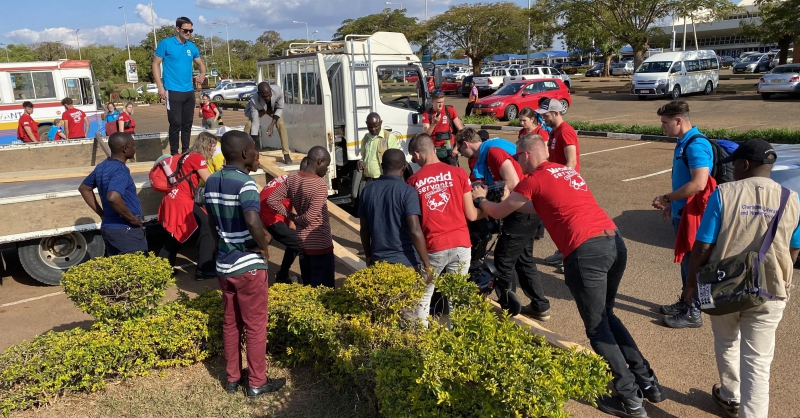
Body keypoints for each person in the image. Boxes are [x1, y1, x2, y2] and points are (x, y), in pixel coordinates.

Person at [474, 135, 664, 418]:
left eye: (517, 158)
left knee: (598, 328)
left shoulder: (533, 178)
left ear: (526, 156)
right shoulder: (564, 172)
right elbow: (534, 206)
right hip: (613, 241)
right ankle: (647, 382)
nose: (515, 163)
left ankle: (629, 398)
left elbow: (500, 212)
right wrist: (507, 198)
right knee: (608, 316)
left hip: (585, 251)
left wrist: (480, 201)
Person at [681, 140, 799, 418]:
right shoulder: (792, 199)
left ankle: (730, 395)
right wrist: (782, 273)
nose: (732, 169)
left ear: (745, 165)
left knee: (726, 341)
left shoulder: (724, 193)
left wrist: (690, 284)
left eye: (734, 164)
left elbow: (703, 245)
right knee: (758, 361)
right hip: (771, 289)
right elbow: (795, 246)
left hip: (724, 286)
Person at [204, 129, 285, 399]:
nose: (257, 155)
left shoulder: (212, 180)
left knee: (231, 324)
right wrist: (263, 245)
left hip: (224, 266)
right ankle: (257, 382)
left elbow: (212, 224)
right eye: (254, 150)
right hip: (248, 267)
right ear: (243, 154)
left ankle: (233, 378)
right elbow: (252, 220)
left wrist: (223, 245)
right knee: (255, 325)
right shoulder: (247, 185)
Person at [455, 128, 550, 320]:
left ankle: (507, 310)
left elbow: (513, 182)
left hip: (521, 209)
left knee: (503, 260)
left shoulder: (492, 152)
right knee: (523, 258)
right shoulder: (489, 151)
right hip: (528, 207)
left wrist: (488, 201)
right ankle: (540, 306)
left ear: (465, 144)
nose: (459, 154)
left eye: (459, 149)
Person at [650, 101, 712, 329]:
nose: (663, 127)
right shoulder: (682, 142)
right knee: (686, 262)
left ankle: (693, 311)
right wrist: (672, 204)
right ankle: (686, 302)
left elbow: (698, 183)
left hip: (695, 217)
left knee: (694, 263)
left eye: (665, 123)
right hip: (682, 214)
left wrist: (667, 198)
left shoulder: (695, 145)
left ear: (679, 120)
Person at [407, 133, 478, 326]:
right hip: (461, 243)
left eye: (413, 158)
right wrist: (487, 211)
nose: (414, 161)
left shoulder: (413, 182)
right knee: (458, 298)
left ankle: (420, 342)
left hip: (433, 246)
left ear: (417, 154)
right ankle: (458, 341)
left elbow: (414, 221)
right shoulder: (458, 173)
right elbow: (471, 215)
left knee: (423, 296)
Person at [266, 146, 334, 288]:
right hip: (320, 243)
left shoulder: (293, 179)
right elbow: (309, 218)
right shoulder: (319, 185)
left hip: (302, 241)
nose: (327, 169)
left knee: (309, 283)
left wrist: (290, 216)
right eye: (327, 165)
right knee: (324, 289)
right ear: (320, 161)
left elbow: (272, 200)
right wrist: (296, 218)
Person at [359, 148, 432, 271]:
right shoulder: (408, 192)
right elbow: (415, 230)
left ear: (382, 166)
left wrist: (368, 255)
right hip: (407, 263)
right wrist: (426, 263)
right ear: (403, 168)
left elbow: (364, 230)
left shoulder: (367, 191)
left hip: (379, 263)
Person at [157, 134, 216, 281]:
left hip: (172, 198)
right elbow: (210, 180)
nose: (215, 148)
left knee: (175, 234)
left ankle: (162, 270)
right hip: (182, 200)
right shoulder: (198, 158)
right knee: (207, 228)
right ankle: (205, 269)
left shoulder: (186, 155)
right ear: (206, 145)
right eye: (213, 145)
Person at [78, 132, 148, 255]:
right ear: (125, 149)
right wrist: (132, 219)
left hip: (109, 229)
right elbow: (113, 197)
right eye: (133, 146)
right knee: (136, 271)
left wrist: (102, 214)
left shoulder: (102, 166)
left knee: (118, 271)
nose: (135, 149)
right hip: (126, 231)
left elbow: (84, 188)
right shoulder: (120, 170)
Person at [153, 16, 206, 155]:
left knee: (187, 124)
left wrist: (203, 73)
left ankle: (186, 152)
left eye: (191, 31)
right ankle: (174, 154)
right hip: (172, 90)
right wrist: (160, 87)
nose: (188, 33)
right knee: (176, 123)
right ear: (177, 29)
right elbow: (155, 64)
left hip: (189, 91)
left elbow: (200, 64)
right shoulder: (166, 44)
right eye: (185, 30)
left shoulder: (191, 46)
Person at [537, 98, 580, 268]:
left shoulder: (565, 131)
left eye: (545, 115)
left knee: (566, 224)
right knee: (558, 223)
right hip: (558, 184)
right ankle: (563, 253)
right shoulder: (555, 132)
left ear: (555, 113)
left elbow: (571, 162)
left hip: (566, 186)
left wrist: (560, 185)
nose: (543, 118)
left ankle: (569, 258)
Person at [259, 158, 308, 285]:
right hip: (271, 218)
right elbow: (293, 225)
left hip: (262, 211)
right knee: (303, 245)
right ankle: (309, 282)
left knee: (294, 241)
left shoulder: (290, 178)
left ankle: (282, 274)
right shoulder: (300, 187)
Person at [245, 82, 291, 164]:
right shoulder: (254, 100)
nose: (268, 98)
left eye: (269, 95)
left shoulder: (278, 91)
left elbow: (280, 107)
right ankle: (244, 150)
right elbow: (255, 123)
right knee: (249, 125)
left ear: (271, 90)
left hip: (275, 110)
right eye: (265, 97)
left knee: (281, 124)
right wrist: (253, 142)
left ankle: (286, 154)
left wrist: (272, 124)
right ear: (259, 94)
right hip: (260, 110)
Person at [423, 91, 465, 166]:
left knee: (451, 174)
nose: (441, 105)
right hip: (435, 150)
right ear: (432, 101)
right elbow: (426, 134)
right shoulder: (427, 114)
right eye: (438, 102)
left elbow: (461, 131)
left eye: (442, 102)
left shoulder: (449, 110)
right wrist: (434, 123)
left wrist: (456, 147)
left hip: (450, 149)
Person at [357, 112, 400, 185]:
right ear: (366, 124)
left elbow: (395, 159)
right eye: (370, 127)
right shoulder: (366, 138)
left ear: (381, 123)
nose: (373, 129)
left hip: (383, 179)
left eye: (376, 126)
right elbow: (363, 156)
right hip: (369, 179)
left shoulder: (388, 137)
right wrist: (361, 162)